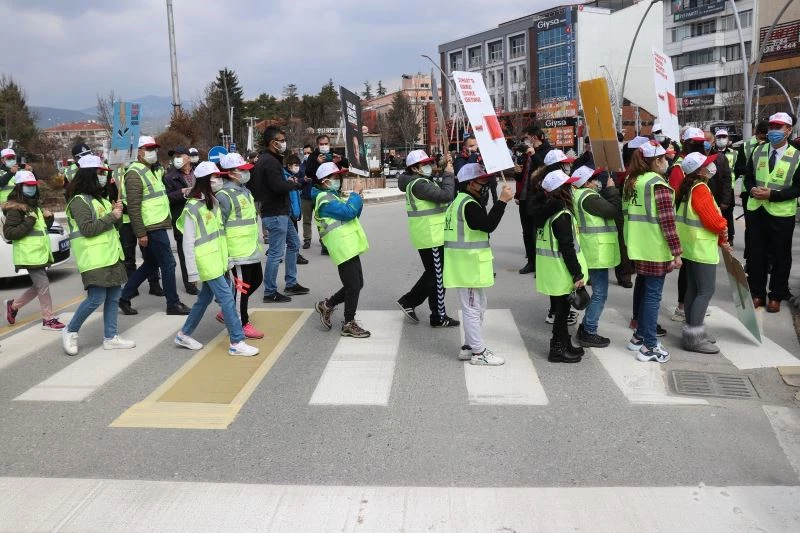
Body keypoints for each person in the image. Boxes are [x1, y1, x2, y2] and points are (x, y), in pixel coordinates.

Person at [173, 161, 259, 357]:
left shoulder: (213, 203)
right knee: (228, 299)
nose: (219, 180)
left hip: (218, 260)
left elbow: (220, 234)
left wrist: (227, 260)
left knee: (204, 300)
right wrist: (192, 271)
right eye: (215, 177)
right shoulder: (193, 208)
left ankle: (184, 334)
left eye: (220, 176)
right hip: (206, 262)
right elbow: (187, 243)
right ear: (204, 181)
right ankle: (237, 341)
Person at [61, 155, 135, 355]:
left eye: (104, 173)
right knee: (96, 298)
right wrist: (111, 216)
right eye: (100, 173)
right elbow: (87, 229)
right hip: (93, 258)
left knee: (114, 296)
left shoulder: (99, 199)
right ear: (89, 176)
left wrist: (117, 214)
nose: (103, 177)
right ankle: (71, 330)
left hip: (111, 255)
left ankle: (110, 337)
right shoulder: (78, 201)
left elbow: (114, 226)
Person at [443, 163, 514, 366]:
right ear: (470, 184)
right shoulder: (469, 204)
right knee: (473, 308)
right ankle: (478, 352)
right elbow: (486, 225)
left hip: (468, 264)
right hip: (468, 265)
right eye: (483, 182)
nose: (486, 185)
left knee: (478, 306)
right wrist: (501, 202)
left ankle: (469, 346)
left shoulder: (461, 201)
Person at [117, 136, 190, 316]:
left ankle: (124, 297)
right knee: (168, 263)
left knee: (150, 264)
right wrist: (140, 233)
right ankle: (173, 303)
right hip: (151, 226)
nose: (153, 153)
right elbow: (133, 207)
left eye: (154, 149)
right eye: (149, 149)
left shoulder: (151, 170)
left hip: (157, 223)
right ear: (139, 152)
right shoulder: (134, 173)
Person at [623, 141, 681, 363]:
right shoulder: (657, 185)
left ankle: (638, 336)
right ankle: (649, 345)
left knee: (645, 290)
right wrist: (677, 252)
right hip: (655, 247)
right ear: (656, 161)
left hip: (637, 245)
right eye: (664, 158)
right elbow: (668, 223)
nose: (667, 162)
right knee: (653, 296)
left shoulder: (632, 181)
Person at [744, 112, 800, 313]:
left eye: (778, 127)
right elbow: (748, 177)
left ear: (788, 130)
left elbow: (797, 188)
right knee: (756, 254)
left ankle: (775, 295)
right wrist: (751, 189)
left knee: (780, 256)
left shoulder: (797, 155)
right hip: (757, 211)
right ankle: (757, 293)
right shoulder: (758, 151)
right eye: (771, 127)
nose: (774, 130)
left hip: (781, 214)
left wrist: (772, 195)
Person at [397, 149, 459, 328]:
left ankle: (437, 314)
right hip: (432, 235)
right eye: (425, 164)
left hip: (430, 234)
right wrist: (448, 175)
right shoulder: (419, 184)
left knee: (436, 275)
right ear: (415, 168)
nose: (429, 166)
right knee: (437, 275)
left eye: (430, 163)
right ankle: (411, 302)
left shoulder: (418, 181)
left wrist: (445, 168)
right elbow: (446, 196)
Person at [675, 153, 729, 354]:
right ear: (699, 170)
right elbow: (714, 221)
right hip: (701, 247)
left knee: (693, 290)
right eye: (707, 164)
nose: (712, 165)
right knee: (705, 291)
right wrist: (723, 228)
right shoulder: (700, 189)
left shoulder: (687, 188)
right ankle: (694, 338)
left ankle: (693, 331)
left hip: (690, 246)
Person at [313, 162, 371, 338]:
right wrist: (355, 194)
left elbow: (352, 214)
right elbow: (348, 212)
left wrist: (357, 196)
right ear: (325, 181)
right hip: (341, 247)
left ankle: (327, 305)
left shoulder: (332, 196)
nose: (339, 180)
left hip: (348, 245)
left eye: (339, 177)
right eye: (335, 178)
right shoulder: (324, 199)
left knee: (356, 284)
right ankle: (348, 323)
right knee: (353, 285)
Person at [2, 170, 65, 330]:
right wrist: (29, 221)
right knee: (42, 284)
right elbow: (9, 233)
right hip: (28, 254)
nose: (32, 188)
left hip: (38, 253)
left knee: (40, 285)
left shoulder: (33, 205)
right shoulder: (16, 208)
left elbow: (42, 229)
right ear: (19, 187)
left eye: (34, 186)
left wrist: (49, 219)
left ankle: (13, 305)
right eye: (28, 186)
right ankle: (48, 319)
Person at [251, 126, 308, 303]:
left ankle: (291, 283)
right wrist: (294, 184)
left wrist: (289, 182)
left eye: (284, 139)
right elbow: (277, 187)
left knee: (293, 244)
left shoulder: (270, 159)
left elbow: (273, 184)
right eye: (280, 140)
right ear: (272, 142)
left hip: (280, 212)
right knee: (276, 253)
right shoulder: (269, 161)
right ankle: (270, 292)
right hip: (275, 213)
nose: (283, 142)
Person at [536, 169, 587, 362]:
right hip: (562, 271)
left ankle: (564, 343)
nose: (572, 189)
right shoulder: (561, 215)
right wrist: (577, 274)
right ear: (561, 190)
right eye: (569, 186)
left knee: (561, 310)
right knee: (562, 312)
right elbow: (567, 248)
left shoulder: (547, 211)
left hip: (552, 270)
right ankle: (557, 348)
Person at [571, 166, 621, 348]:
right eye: (593, 178)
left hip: (594, 248)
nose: (597, 181)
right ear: (586, 182)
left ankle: (586, 329)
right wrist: (611, 190)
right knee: (600, 293)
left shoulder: (580, 195)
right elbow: (613, 211)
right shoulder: (588, 197)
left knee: (599, 292)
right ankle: (588, 330)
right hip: (596, 250)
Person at [216, 152, 265, 340]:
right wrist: (225, 253)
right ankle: (240, 322)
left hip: (250, 249)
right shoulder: (224, 195)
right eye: (241, 170)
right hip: (237, 251)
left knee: (256, 281)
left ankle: (228, 309)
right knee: (242, 288)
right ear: (230, 173)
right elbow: (219, 225)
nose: (246, 173)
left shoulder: (244, 190)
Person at [530, 149, 579, 326]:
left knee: (557, 285)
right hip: (556, 245)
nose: (569, 166)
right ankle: (557, 316)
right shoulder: (553, 189)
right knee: (561, 286)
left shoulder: (543, 184)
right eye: (565, 163)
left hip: (547, 243)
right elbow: (566, 245)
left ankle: (555, 312)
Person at [163, 146, 198, 295]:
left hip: (201, 217)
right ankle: (190, 284)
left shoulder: (199, 173)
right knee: (185, 252)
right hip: (181, 219)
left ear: (188, 158)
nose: (176, 159)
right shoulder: (169, 177)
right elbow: (166, 198)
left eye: (179, 155)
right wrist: (181, 193)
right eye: (174, 156)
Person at [514, 126, 539, 275]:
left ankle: (540, 263)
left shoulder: (544, 151)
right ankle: (531, 261)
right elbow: (519, 178)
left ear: (535, 137)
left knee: (537, 231)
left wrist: (534, 155)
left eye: (527, 138)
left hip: (536, 197)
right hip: (524, 197)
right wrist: (517, 172)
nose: (526, 141)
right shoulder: (523, 156)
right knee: (527, 232)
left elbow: (544, 168)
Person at [713, 128, 738, 246]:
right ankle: (717, 235)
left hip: (729, 188)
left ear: (728, 139)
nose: (721, 139)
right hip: (715, 188)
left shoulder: (734, 153)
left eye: (724, 137)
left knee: (728, 214)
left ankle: (730, 237)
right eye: (719, 137)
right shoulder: (712, 152)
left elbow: (737, 170)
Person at [283, 154, 309, 265]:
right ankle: (294, 255)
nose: (297, 167)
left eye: (298, 165)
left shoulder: (292, 175)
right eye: (295, 165)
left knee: (291, 235)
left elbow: (297, 187)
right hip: (288, 211)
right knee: (291, 237)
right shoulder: (284, 176)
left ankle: (293, 254)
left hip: (293, 212)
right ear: (288, 165)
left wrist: (303, 181)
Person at [299, 144, 314, 249]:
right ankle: (307, 240)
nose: (307, 155)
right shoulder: (300, 167)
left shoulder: (317, 165)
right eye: (305, 153)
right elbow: (297, 182)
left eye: (309, 153)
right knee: (306, 220)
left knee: (321, 220)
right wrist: (303, 180)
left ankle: (324, 241)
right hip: (305, 197)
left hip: (317, 196)